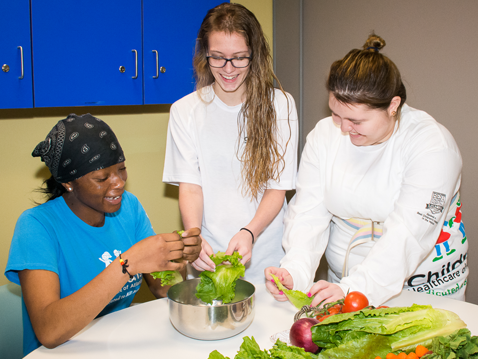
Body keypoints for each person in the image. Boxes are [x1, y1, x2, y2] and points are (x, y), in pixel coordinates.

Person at [265, 34, 468, 307]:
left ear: (393, 106)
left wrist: (355, 289)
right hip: (348, 283)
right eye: (336, 114)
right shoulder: (325, 135)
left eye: (356, 120)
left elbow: (408, 234)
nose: (343, 128)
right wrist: (295, 270)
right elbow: (307, 214)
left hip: (423, 284)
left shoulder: (433, 147)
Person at [4, 114, 202, 356]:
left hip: (114, 345)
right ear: (68, 183)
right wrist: (128, 264)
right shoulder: (36, 226)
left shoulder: (129, 207)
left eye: (122, 169)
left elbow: (162, 289)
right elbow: (49, 331)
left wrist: (175, 257)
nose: (119, 183)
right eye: (102, 178)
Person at [162, 3, 298, 285]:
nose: (228, 69)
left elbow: (277, 187)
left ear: (255, 55)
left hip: (267, 255)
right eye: (218, 57)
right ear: (205, 54)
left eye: (239, 58)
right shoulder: (185, 111)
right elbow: (190, 186)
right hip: (208, 256)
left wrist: (249, 232)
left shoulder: (280, 105)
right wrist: (194, 236)